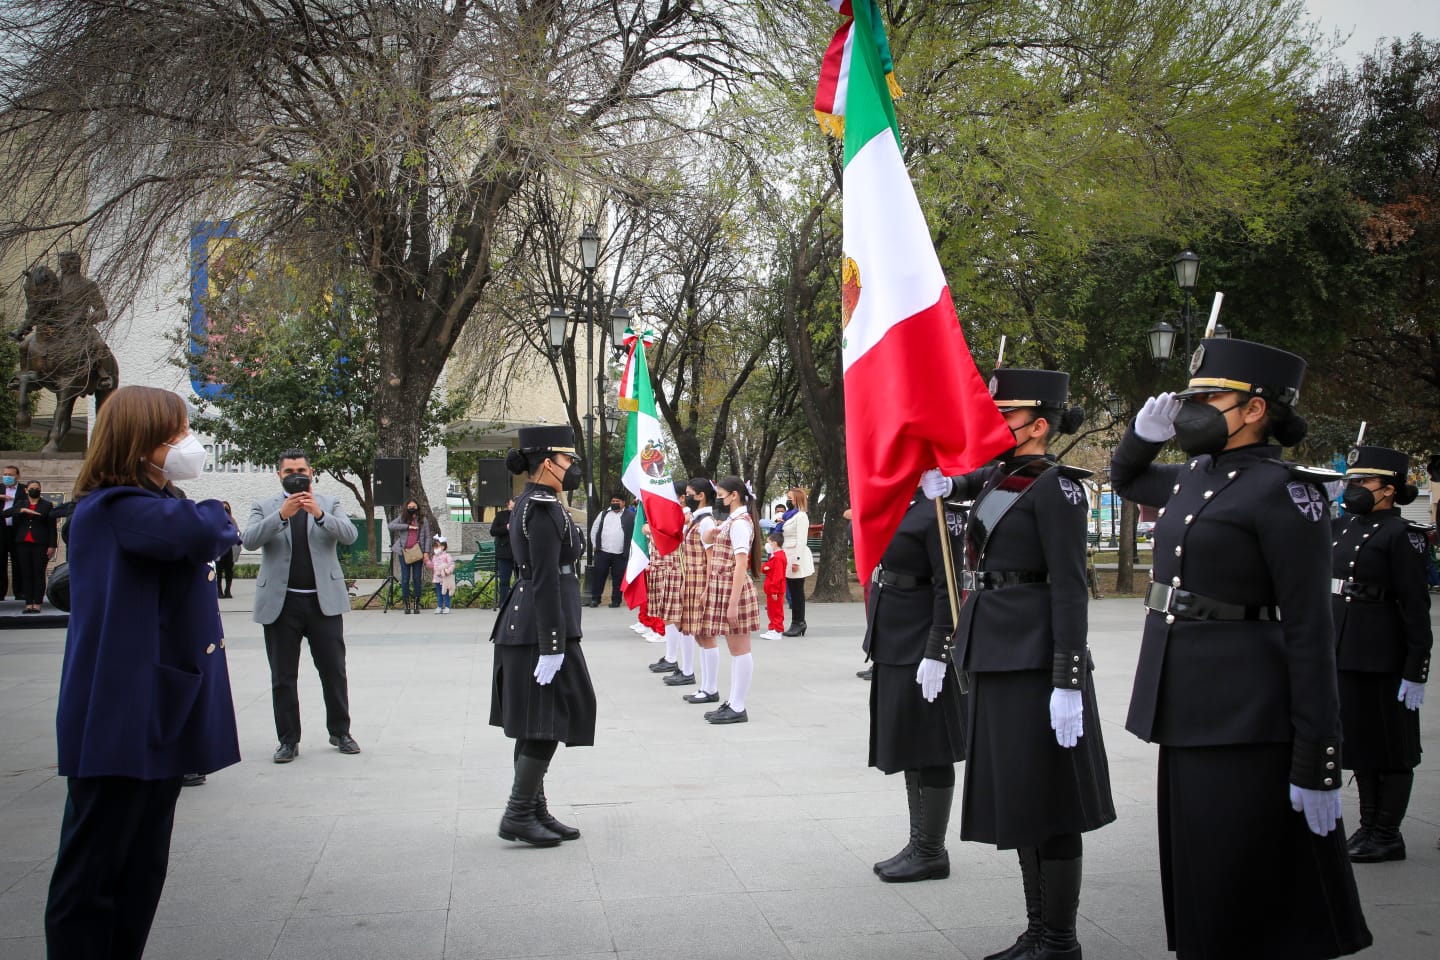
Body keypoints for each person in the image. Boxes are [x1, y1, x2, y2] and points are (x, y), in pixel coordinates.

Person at [1111, 337, 1371, 958]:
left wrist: (1320, 757)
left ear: (1255, 409)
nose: (1191, 409)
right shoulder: (1195, 475)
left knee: (1241, 871)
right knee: (1197, 863)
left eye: (1209, 397)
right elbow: (1127, 479)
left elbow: (1309, 629)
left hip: (1247, 710)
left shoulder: (1286, 493)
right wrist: (1142, 437)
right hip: (1186, 699)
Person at [922, 367, 1115, 959]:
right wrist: (943, 481)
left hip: (1035, 660)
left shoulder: (1055, 486)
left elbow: (1070, 586)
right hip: (998, 654)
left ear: (1036, 426)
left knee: (1051, 800)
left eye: (1002, 415)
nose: (992, 423)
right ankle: (1037, 930)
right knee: (1024, 797)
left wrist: (1067, 678)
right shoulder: (999, 480)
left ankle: (1059, 938)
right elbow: (965, 488)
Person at [44, 385, 239, 960]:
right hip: (120, 715)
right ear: (142, 440)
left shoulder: (151, 506)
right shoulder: (114, 509)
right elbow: (207, 529)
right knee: (94, 871)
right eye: (176, 433)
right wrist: (209, 509)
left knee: (142, 867)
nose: (188, 443)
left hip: (156, 711)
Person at [489, 426, 595, 846]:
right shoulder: (541, 508)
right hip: (539, 629)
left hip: (536, 623)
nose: (572, 467)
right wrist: (552, 646)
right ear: (547, 463)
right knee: (546, 720)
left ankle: (533, 808)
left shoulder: (540, 503)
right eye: (567, 460)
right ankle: (518, 814)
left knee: (538, 722)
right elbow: (546, 579)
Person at [1331, 445, 1432, 863]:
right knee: (1359, 743)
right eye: (1351, 481)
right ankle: (1367, 824)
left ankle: (1387, 832)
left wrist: (1416, 668)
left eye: (1363, 482)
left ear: (1388, 490)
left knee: (1390, 745)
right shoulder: (1340, 526)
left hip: (1383, 654)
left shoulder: (1403, 535)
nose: (1353, 488)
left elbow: (1415, 608)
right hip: (1343, 649)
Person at [863, 491, 965, 883]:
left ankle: (931, 850)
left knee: (931, 745)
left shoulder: (937, 510)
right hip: (895, 638)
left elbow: (949, 585)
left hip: (921, 639)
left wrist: (938, 649)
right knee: (910, 744)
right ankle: (919, 841)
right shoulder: (900, 505)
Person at [244, 449, 361, 763]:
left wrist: (319, 515)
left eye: (301, 470)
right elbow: (249, 540)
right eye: (289, 471)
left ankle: (340, 731)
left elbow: (350, 535)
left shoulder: (327, 503)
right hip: (281, 605)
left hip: (323, 602)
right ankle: (288, 740)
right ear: (279, 475)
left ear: (311, 473)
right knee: (283, 676)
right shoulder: (266, 507)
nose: (296, 475)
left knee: (334, 671)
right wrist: (282, 514)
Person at [698, 476, 761, 724]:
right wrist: (713, 532)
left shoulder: (739, 523)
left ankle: (738, 705)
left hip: (734, 589)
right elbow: (709, 542)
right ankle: (734, 702)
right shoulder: (733, 521)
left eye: (722, 495)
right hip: (725, 586)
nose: (719, 499)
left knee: (740, 649)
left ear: (734, 495)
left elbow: (741, 562)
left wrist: (733, 603)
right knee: (736, 649)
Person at [673, 478, 719, 696]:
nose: (687, 496)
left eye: (690, 493)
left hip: (701, 581)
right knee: (699, 635)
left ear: (701, 496)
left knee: (705, 635)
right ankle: (704, 686)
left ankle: (710, 688)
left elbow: (711, 558)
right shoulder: (696, 519)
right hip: (692, 580)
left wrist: (708, 589)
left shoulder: (707, 522)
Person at [6, 478, 57, 613]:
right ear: (26, 490)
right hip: (22, 543)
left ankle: (38, 603)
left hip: (40, 543)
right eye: (32, 488)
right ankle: (28, 603)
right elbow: (5, 513)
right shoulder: (20, 504)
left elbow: (52, 527)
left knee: (38, 573)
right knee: (26, 573)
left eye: (37, 488)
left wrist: (52, 546)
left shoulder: (46, 505)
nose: (35, 490)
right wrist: (21, 510)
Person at [780, 486, 814, 636]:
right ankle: (796, 622)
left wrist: (796, 561)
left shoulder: (801, 516)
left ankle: (799, 622)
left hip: (796, 555)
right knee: (793, 591)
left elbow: (801, 540)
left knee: (797, 592)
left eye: (790, 498)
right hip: (787, 555)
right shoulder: (789, 516)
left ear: (797, 499)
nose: (788, 501)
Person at [587, 491, 631, 607]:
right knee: (599, 576)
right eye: (613, 501)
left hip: (620, 554)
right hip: (603, 552)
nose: (615, 503)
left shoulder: (630, 516)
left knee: (618, 578)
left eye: (617, 501)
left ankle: (616, 601)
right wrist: (595, 544)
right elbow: (595, 529)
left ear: (623, 503)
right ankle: (595, 599)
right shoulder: (603, 514)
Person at [388, 498, 431, 614]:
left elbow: (427, 537)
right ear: (407, 508)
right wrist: (407, 527)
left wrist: (426, 552)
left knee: (417, 578)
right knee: (405, 578)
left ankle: (417, 603)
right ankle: (406, 603)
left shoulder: (423, 520)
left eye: (414, 507)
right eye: (410, 507)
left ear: (418, 508)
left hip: (418, 552)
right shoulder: (402, 519)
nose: (412, 509)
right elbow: (391, 526)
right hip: (404, 553)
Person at [759, 528, 787, 640]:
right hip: (771, 588)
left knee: (776, 611)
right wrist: (766, 568)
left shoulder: (779, 557)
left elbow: (778, 576)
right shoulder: (775, 556)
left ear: (774, 543)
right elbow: (766, 568)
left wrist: (775, 590)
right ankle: (772, 629)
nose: (767, 545)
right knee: (771, 610)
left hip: (775, 589)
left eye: (769, 542)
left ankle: (777, 630)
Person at [490, 497, 515, 609]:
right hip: (505, 553)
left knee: (522, 580)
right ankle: (503, 604)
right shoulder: (501, 515)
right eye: (512, 504)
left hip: (519, 554)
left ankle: (519, 603)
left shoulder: (523, 514)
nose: (513, 506)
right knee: (504, 580)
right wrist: (506, 527)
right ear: (507, 504)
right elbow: (493, 531)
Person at [215, 501, 241, 598]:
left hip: (230, 550)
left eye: (227, 509)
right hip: (220, 551)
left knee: (229, 571)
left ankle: (227, 591)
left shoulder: (232, 521)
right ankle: (219, 591)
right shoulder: (217, 521)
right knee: (218, 571)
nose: (225, 511)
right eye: (223, 509)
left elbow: (238, 534)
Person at [1, 464, 19, 600]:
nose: (7, 477)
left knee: (19, 562)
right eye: (5, 474)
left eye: (10, 474)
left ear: (17, 476)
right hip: (2, 531)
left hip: (18, 531)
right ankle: (1, 593)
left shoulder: (24, 490)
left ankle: (20, 592)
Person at [428, 534, 457, 615]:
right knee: (439, 592)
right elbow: (432, 565)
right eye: (434, 547)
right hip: (437, 578)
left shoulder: (447, 556)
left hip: (445, 578)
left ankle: (447, 607)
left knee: (446, 592)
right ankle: (439, 606)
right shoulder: (434, 557)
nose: (435, 549)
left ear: (443, 547)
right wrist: (428, 563)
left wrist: (448, 570)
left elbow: (452, 564)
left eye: (437, 547)